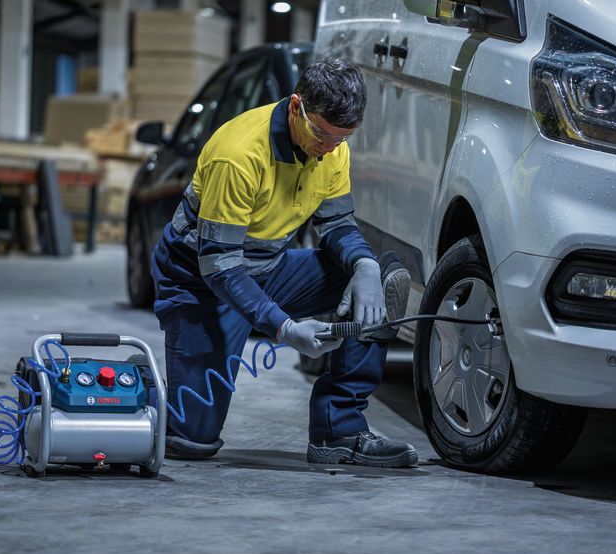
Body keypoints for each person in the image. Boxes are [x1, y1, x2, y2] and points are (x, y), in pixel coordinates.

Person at [150, 57, 418, 467]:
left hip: (267, 268)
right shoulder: (238, 154)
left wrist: (364, 265)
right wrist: (286, 328)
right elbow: (220, 265)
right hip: (200, 282)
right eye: (323, 134)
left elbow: (335, 224)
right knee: (193, 441)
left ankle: (339, 429)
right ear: (296, 107)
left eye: (342, 139)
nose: (329, 148)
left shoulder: (331, 148)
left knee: (383, 278)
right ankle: (148, 393)